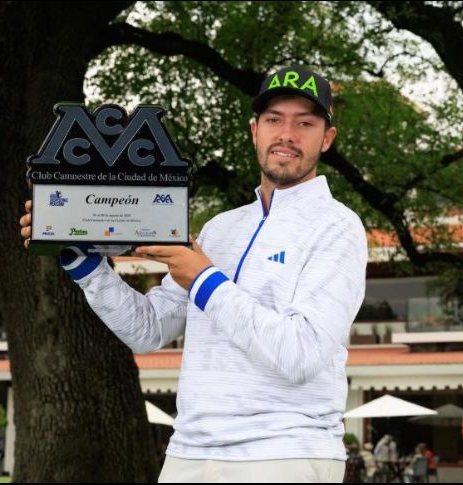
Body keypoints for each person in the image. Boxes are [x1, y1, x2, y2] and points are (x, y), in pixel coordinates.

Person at [19, 65, 368, 483]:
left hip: (283, 452)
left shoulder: (337, 226)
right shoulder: (220, 227)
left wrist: (203, 279)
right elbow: (148, 330)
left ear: (326, 138)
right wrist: (87, 266)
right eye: (275, 120)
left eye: (305, 123)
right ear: (255, 130)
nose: (287, 135)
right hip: (188, 451)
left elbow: (301, 354)